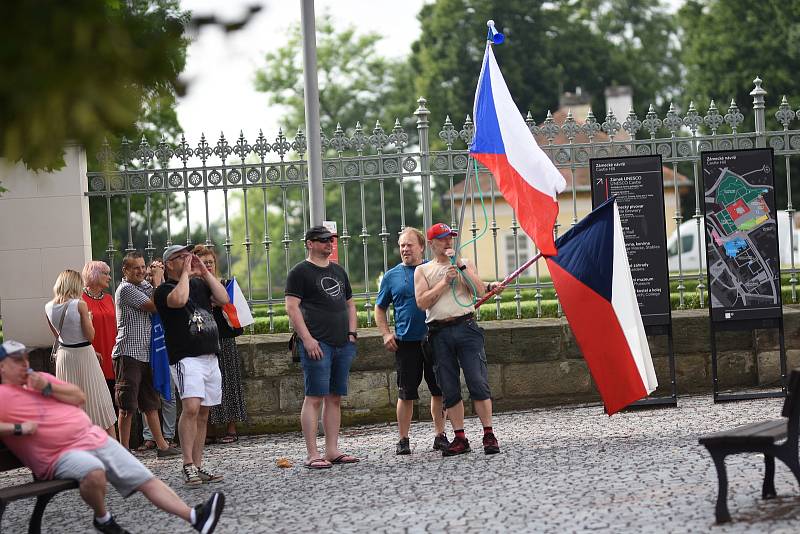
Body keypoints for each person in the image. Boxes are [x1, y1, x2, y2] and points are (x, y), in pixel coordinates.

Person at [0, 340, 225, 534]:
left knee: (145, 478)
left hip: (91, 437)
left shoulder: (39, 380)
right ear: (2, 367)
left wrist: (47, 386)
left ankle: (195, 517)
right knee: (94, 472)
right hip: (59, 454)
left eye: (25, 359)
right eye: (16, 361)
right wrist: (18, 428)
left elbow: (78, 397)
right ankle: (103, 519)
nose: (24, 365)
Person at [414, 223, 503, 456]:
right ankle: (460, 436)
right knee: (449, 385)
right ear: (432, 243)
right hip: (439, 332)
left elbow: (480, 291)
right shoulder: (423, 271)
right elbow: (422, 302)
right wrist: (444, 283)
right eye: (442, 239)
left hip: (466, 327)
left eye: (450, 238)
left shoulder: (465, 263)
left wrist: (461, 268)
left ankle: (488, 434)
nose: (448, 242)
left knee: (477, 380)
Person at [285, 225, 359, 469]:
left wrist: (352, 333)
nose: (329, 244)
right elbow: (292, 307)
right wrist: (306, 338)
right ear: (310, 243)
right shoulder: (300, 272)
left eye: (331, 240)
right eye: (324, 240)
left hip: (342, 342)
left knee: (334, 397)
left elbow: (350, 304)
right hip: (317, 343)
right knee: (314, 397)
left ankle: (332, 449)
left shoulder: (338, 270)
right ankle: (312, 453)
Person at [154, 245, 229, 486]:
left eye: (188, 255)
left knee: (204, 411)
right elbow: (179, 300)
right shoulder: (164, 289)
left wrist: (205, 273)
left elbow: (224, 298)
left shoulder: (199, 283)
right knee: (192, 408)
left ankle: (198, 465)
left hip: (209, 354)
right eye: (180, 257)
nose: (187, 259)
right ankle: (187, 464)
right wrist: (186, 274)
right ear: (169, 264)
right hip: (186, 357)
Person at [375, 227, 449, 455]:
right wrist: (386, 333)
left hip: (434, 337)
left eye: (409, 245)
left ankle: (440, 435)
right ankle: (403, 439)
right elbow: (380, 308)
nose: (405, 249)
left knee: (439, 390)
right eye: (401, 246)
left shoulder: (432, 269)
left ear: (422, 247)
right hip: (406, 342)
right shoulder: (391, 276)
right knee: (406, 392)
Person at [112, 252, 178, 458]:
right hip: (128, 354)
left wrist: (157, 277)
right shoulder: (126, 290)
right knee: (127, 406)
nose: (141, 271)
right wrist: (157, 279)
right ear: (125, 271)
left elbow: (164, 297)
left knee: (150, 403)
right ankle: (123, 450)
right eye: (135, 268)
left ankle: (162, 446)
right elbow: (156, 306)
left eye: (143, 267)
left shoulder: (143, 286)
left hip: (145, 355)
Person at [45, 270, 117, 437]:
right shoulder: (79, 305)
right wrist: (89, 320)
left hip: (64, 356)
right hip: (84, 354)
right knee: (99, 401)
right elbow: (90, 336)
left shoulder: (48, 307)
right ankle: (112, 448)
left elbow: (58, 336)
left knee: (70, 404)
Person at [193, 245, 248, 444]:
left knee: (230, 383)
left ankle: (231, 428)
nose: (208, 265)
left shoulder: (224, 284)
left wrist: (222, 303)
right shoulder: (193, 288)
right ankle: (209, 430)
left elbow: (238, 313)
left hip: (225, 340)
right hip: (202, 342)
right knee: (206, 386)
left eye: (210, 262)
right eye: (204, 262)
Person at [141, 258, 178, 451]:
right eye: (152, 269)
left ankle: (169, 434)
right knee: (148, 395)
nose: (154, 272)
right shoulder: (143, 290)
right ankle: (149, 436)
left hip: (168, 348)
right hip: (147, 348)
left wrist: (159, 282)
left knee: (169, 394)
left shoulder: (171, 289)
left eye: (159, 268)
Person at [81, 261, 117, 405]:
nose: (109, 277)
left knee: (112, 403)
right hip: (93, 355)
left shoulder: (109, 299)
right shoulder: (80, 298)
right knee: (94, 403)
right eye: (105, 273)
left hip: (111, 355)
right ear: (94, 275)